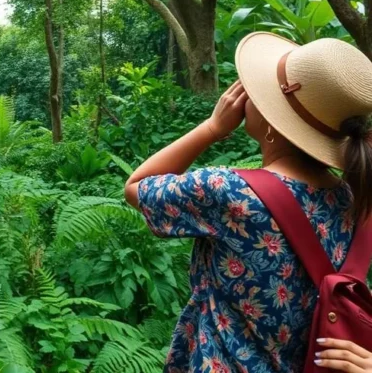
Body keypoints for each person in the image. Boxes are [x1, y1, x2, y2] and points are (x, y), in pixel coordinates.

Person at [124, 31, 372, 372]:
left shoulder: (229, 192)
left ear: (272, 123)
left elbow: (137, 187)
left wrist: (212, 128)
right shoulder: (356, 202)